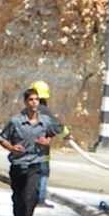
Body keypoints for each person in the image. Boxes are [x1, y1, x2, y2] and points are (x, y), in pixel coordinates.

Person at [0, 88, 63, 216]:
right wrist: (12, 148)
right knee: (19, 201)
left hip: (35, 164)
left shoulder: (45, 121)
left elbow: (54, 133)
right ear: (26, 102)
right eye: (31, 100)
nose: (34, 103)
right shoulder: (15, 121)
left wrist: (47, 141)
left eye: (36, 100)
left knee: (30, 198)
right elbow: (1, 138)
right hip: (19, 165)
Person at [29, 79, 75, 208]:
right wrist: (67, 135)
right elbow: (57, 126)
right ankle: (40, 200)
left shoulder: (26, 112)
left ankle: (28, 199)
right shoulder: (45, 112)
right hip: (41, 152)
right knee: (43, 174)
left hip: (27, 151)